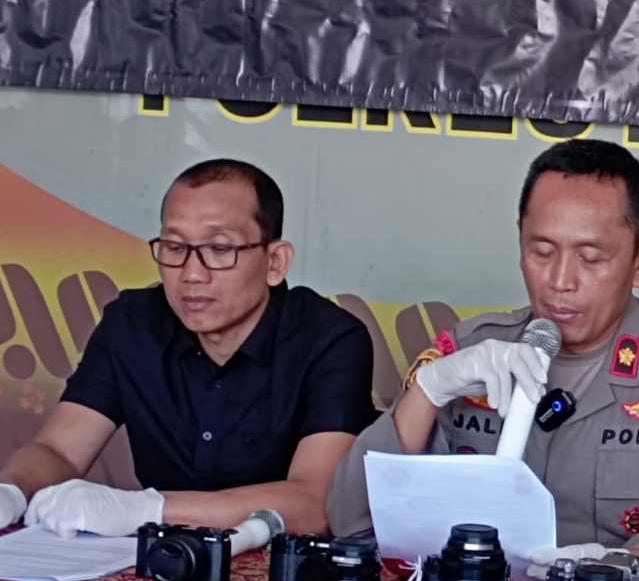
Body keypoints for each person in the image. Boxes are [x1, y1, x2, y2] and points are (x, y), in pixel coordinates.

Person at [328, 139, 639, 581]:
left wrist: (631, 566)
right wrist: (429, 389)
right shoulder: (469, 351)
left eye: (590, 258)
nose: (560, 281)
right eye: (541, 252)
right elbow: (352, 523)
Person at [0, 159, 376, 537]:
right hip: (156, 559)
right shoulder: (132, 325)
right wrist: (13, 491)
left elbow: (314, 503)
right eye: (175, 247)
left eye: (219, 249)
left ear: (275, 262)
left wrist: (147, 509)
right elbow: (59, 450)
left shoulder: (330, 339)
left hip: (277, 563)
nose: (192, 274)